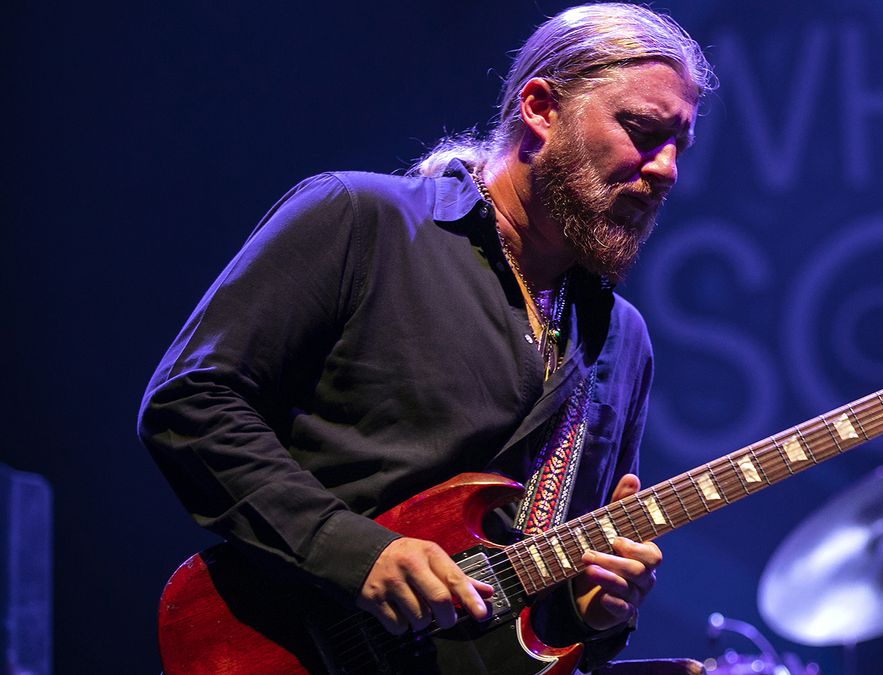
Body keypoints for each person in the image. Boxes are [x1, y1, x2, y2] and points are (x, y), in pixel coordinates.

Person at [138, 2, 715, 671]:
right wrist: (356, 552)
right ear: (539, 108)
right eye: (643, 131)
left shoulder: (622, 342)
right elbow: (191, 404)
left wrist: (594, 607)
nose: (667, 168)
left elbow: (536, 608)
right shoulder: (361, 221)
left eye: (680, 145)